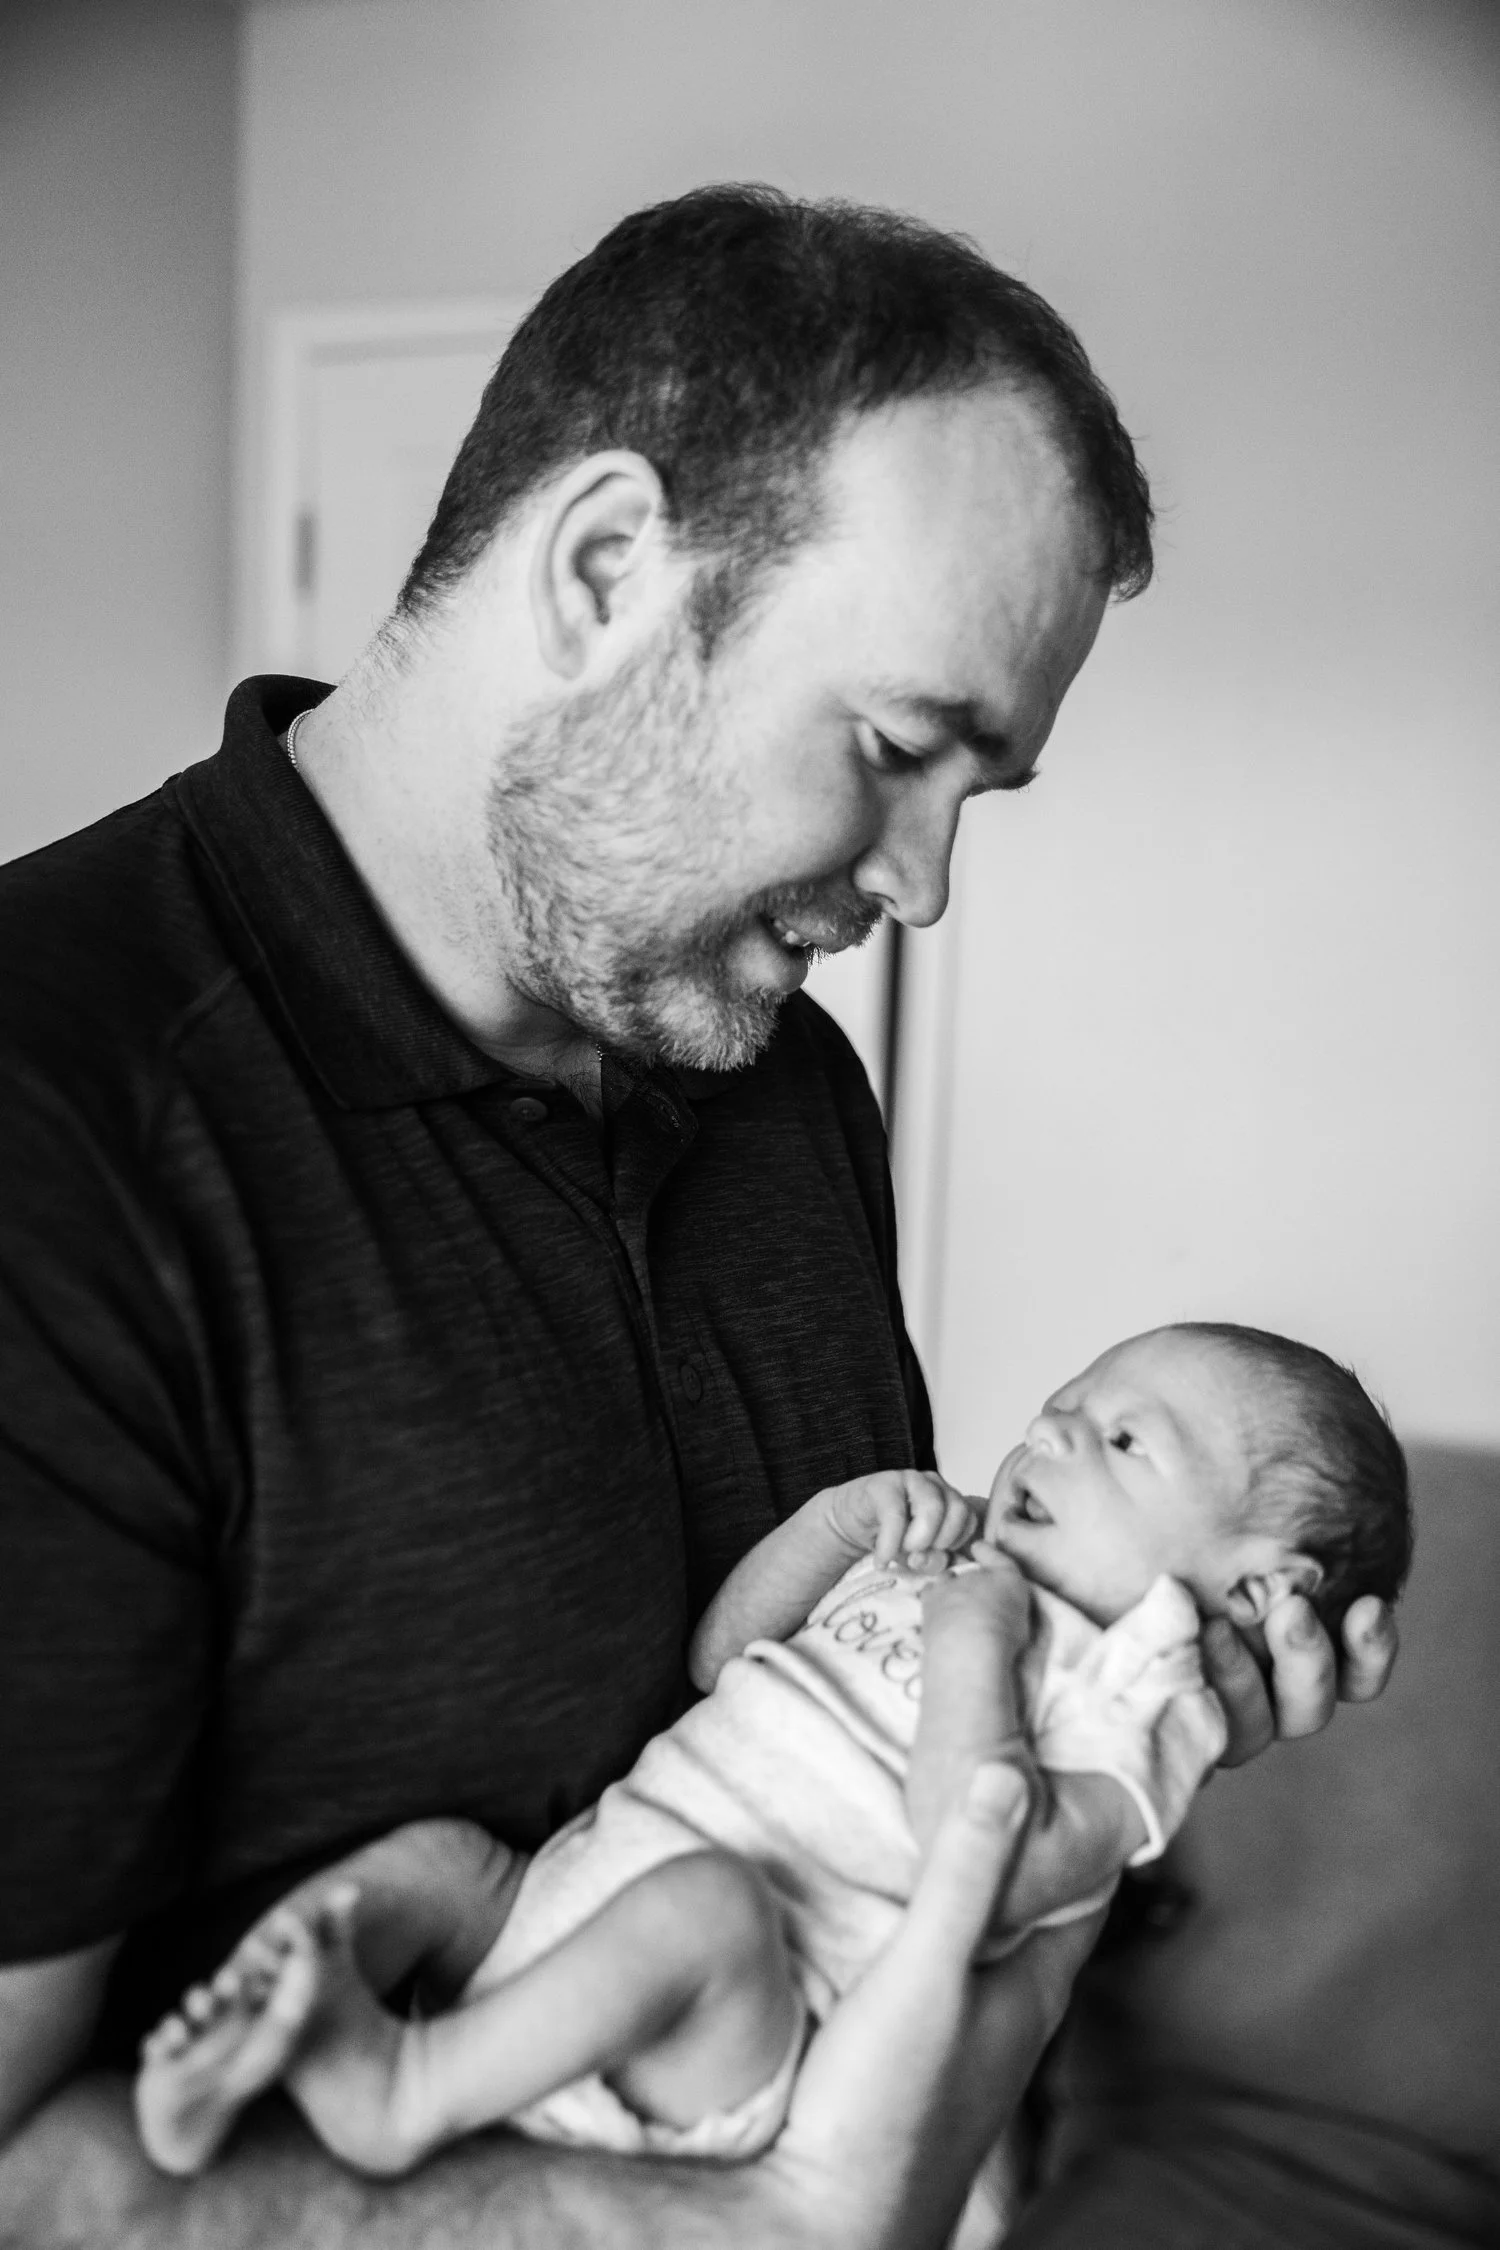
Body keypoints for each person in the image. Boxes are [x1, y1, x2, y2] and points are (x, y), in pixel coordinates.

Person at [0, 186, 1398, 2246]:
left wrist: (1150, 1670)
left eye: (974, 795)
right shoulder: (57, 1129)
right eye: (896, 747)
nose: (923, 887)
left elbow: (875, 1765)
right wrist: (778, 2223)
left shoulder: (780, 1084)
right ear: (602, 570)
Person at [131, 1319, 1411, 2186]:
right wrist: (834, 1528)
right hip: (564, 1906)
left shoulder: (1141, 1697)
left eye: (1126, 1442)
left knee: (707, 1908)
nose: (1055, 1432)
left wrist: (977, 1638)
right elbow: (720, 1656)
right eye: (1067, 1404)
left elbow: (988, 1865)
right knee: (440, 1865)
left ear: (1256, 1589)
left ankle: (406, 2091)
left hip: (721, 2028)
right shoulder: (958, 1555)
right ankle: (245, 2038)